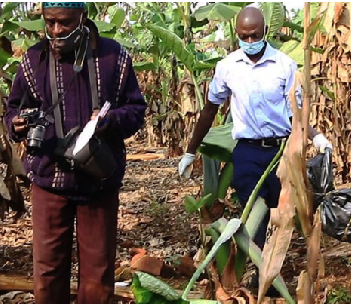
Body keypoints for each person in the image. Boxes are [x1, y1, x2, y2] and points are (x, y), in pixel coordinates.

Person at [177, 6, 332, 295]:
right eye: (244, 37)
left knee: (281, 214)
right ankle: (263, 277)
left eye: (255, 36)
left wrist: (317, 137)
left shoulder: (284, 65)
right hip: (247, 153)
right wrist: (190, 150)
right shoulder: (227, 67)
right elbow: (210, 109)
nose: (250, 42)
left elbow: (297, 113)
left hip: (282, 151)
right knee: (254, 216)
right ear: (237, 34)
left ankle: (275, 275)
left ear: (265, 33)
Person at [4, 2, 146, 303]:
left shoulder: (113, 57)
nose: (56, 31)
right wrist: (15, 125)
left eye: (65, 23)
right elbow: (13, 107)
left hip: (98, 180)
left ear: (83, 16)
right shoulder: (33, 60)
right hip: (49, 179)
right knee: (48, 271)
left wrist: (108, 122)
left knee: (98, 274)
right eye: (50, 22)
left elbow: (136, 110)